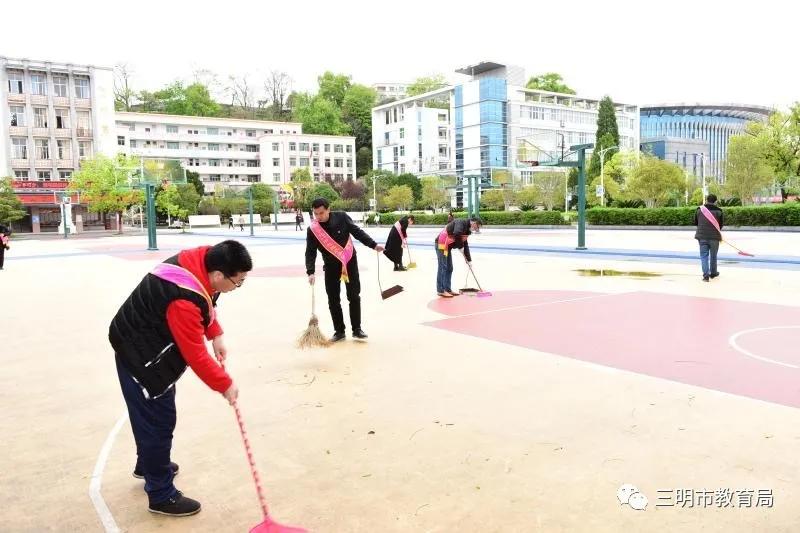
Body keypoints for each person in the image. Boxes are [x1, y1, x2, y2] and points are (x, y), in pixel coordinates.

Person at [109, 240, 252, 516]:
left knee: (152, 416)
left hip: (140, 339)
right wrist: (225, 385)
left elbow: (206, 300)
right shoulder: (182, 301)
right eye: (238, 282)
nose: (237, 288)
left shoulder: (201, 260)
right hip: (142, 355)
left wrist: (216, 333)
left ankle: (148, 464)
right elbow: (195, 354)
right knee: (158, 421)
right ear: (219, 275)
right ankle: (161, 494)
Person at [305, 197, 384, 342]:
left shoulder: (341, 217)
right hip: (330, 267)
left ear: (328, 209)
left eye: (321, 213)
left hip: (349, 263)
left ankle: (357, 329)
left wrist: (373, 245)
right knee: (333, 300)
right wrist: (310, 271)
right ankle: (339, 331)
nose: (318, 217)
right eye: (315, 214)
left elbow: (357, 232)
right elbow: (310, 251)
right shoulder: (313, 230)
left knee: (354, 296)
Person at [435, 216, 482, 297]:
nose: (476, 229)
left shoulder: (467, 230)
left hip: (448, 247)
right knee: (443, 267)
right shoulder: (461, 222)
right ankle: (440, 290)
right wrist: (460, 247)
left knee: (449, 268)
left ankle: (447, 289)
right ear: (473, 223)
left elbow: (465, 244)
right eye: (477, 227)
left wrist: (469, 260)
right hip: (441, 244)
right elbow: (457, 233)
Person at [694, 193, 724, 282]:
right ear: (715, 201)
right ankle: (713, 273)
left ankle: (705, 276)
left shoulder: (699, 210)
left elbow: (696, 222)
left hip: (702, 236)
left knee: (704, 256)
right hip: (714, 237)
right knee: (713, 256)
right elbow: (720, 225)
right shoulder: (719, 211)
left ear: (707, 200)